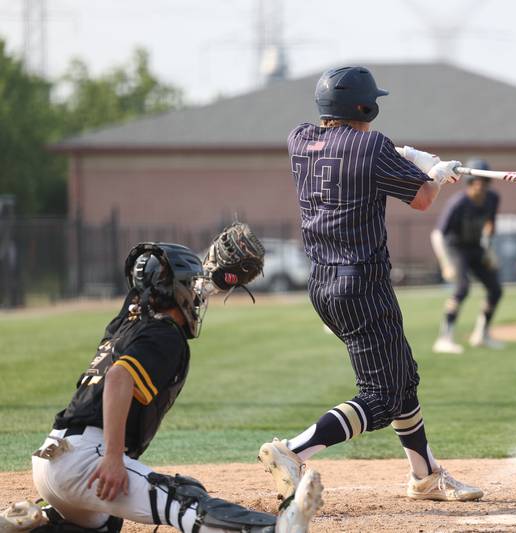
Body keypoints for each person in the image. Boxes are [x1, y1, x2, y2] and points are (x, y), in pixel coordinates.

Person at [258, 66, 483, 503]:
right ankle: (294, 450)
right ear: (367, 106)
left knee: (403, 380)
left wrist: (412, 158)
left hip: (323, 283)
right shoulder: (371, 146)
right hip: (362, 284)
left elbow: (353, 151)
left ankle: (425, 476)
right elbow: (421, 198)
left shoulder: (299, 138)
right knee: (380, 397)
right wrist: (436, 174)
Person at [1, 243, 322, 533]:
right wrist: (113, 457)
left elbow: (154, 290)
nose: (197, 295)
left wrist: (210, 274)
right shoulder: (165, 335)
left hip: (51, 463)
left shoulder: (128, 322)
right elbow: (118, 378)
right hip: (87, 460)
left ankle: (31, 525)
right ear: (175, 291)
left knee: (104, 522)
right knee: (184, 500)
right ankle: (276, 529)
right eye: (191, 286)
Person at [430, 159, 504, 354]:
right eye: (477, 181)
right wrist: (446, 263)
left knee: (495, 289)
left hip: (475, 247)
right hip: (455, 247)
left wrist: (488, 250)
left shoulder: (492, 199)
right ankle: (444, 338)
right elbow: (438, 234)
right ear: (469, 183)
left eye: (484, 182)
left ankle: (481, 334)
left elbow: (490, 226)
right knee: (462, 288)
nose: (481, 187)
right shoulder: (458, 203)